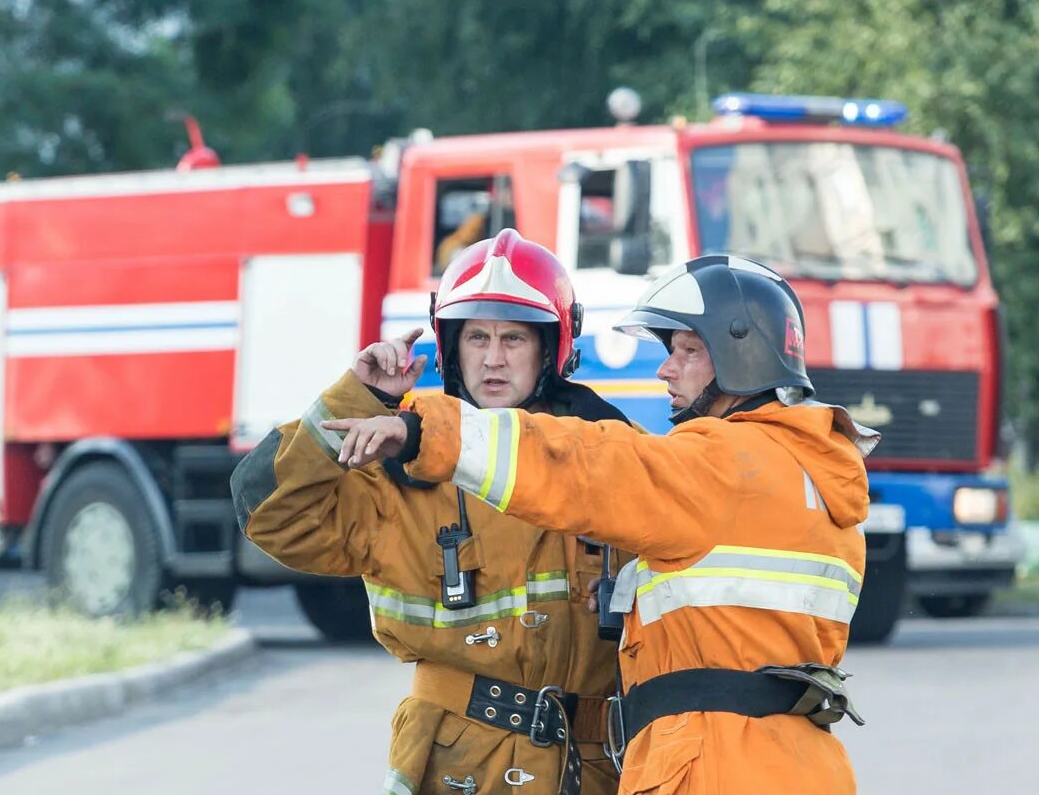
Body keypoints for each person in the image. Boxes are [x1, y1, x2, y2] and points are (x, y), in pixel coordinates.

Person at [326, 255, 879, 795]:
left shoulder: (722, 461)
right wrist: (632, 591)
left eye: (687, 350)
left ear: (744, 356)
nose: (666, 368)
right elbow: (738, 611)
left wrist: (430, 433)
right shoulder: (810, 473)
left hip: (715, 763)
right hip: (799, 759)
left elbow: (587, 464)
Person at [231, 228, 633, 795]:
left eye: (514, 339)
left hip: (597, 768)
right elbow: (270, 512)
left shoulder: (612, 455)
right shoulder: (398, 464)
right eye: (477, 338)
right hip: (454, 768)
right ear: (449, 345)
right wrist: (358, 397)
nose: (493, 359)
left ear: (552, 347)